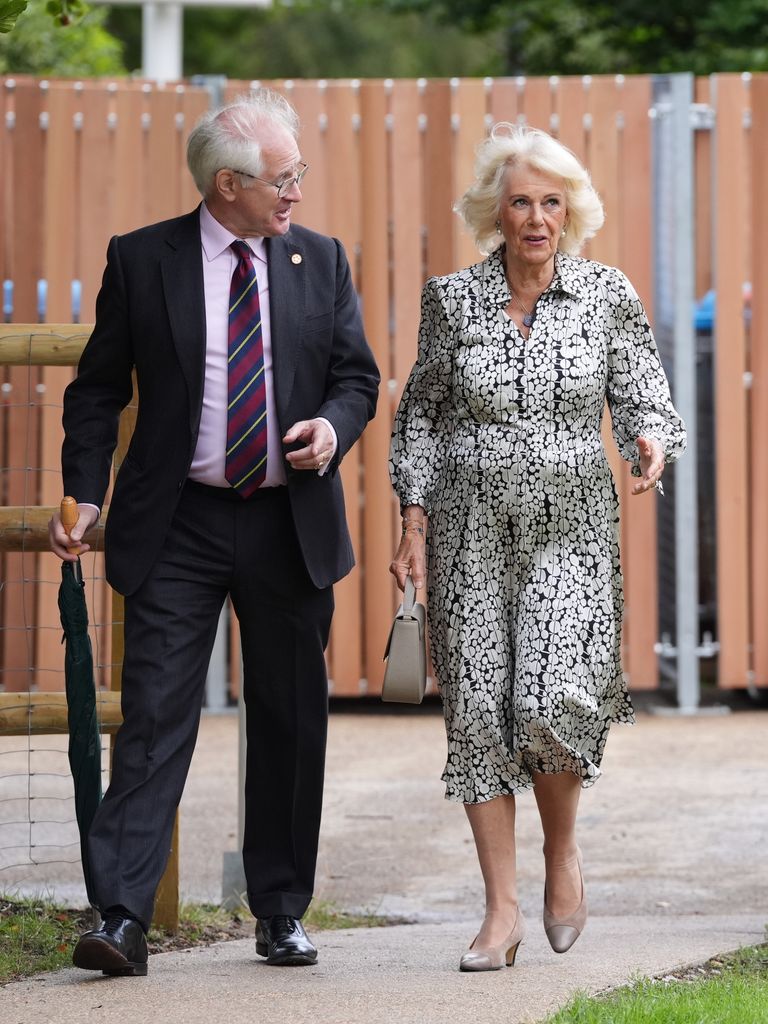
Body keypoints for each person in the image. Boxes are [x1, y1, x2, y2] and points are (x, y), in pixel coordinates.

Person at [49, 89, 379, 976]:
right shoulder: (143, 258)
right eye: (285, 178)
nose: (296, 193)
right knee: (154, 718)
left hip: (288, 520)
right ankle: (120, 917)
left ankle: (279, 912)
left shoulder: (321, 259)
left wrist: (333, 429)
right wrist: (84, 494)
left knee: (289, 720)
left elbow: (357, 378)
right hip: (178, 524)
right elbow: (97, 389)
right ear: (228, 185)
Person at [389, 123, 685, 972]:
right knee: (479, 710)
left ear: (571, 212)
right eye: (520, 201)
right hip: (469, 533)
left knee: (553, 698)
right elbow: (425, 416)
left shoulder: (605, 294)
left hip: (573, 531)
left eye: (551, 202)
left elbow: (645, 394)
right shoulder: (452, 301)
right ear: (496, 211)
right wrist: (413, 524)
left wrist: (650, 442)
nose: (535, 218)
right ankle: (500, 912)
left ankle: (562, 855)